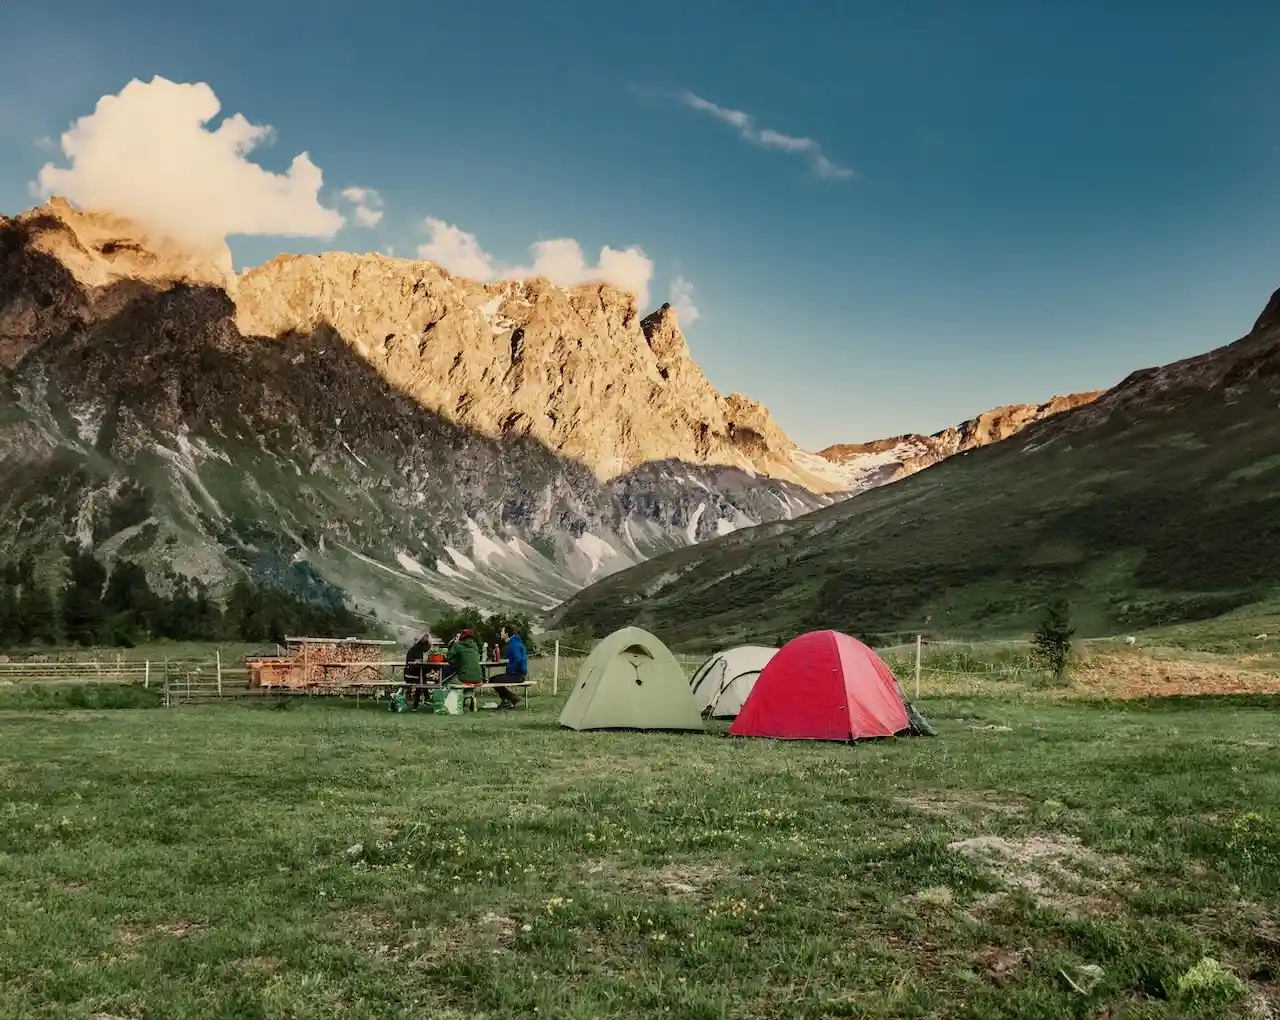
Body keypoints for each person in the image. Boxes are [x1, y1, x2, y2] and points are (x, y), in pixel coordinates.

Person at [488, 625, 527, 709]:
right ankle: (509, 700)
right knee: (493, 679)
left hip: (518, 675)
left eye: (502, 632)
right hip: (518, 674)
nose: (500, 634)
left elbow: (517, 660)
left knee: (493, 680)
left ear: (506, 633)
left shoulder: (514, 644)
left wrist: (510, 670)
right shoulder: (514, 642)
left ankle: (511, 699)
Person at [403, 631, 432, 708]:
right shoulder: (415, 650)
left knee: (421, 680)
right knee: (421, 680)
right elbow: (414, 664)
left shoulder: (418, 649)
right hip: (409, 675)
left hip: (416, 675)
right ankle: (426, 696)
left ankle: (417, 704)